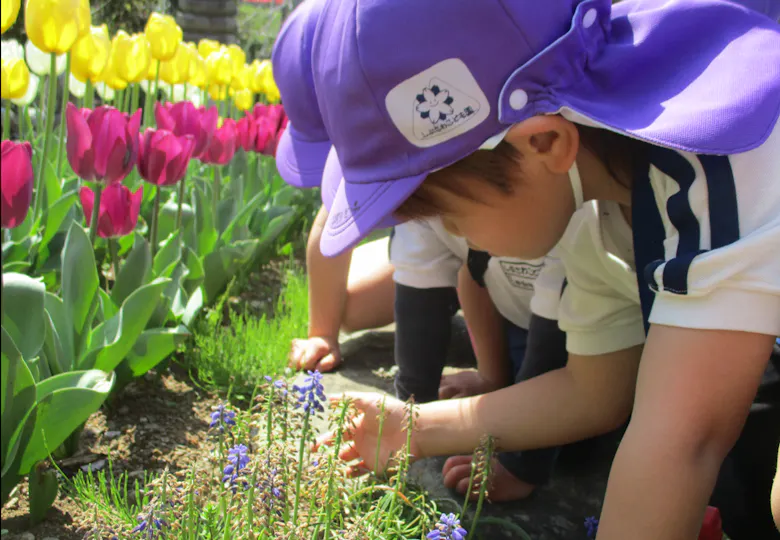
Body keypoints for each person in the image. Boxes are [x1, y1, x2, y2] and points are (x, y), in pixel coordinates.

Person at [306, 0, 780, 538]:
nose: (455, 239)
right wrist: (410, 430)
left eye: (452, 216)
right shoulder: (590, 210)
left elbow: (682, 443)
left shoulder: (708, 162)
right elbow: (593, 389)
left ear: (545, 142)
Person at [273, 0, 587, 502]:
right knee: (463, 268)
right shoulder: (482, 188)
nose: (451, 229)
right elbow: (451, 275)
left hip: (550, 317)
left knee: (571, 442)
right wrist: (411, 404)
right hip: (517, 294)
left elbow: (577, 378)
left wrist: (519, 459)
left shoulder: (560, 208)